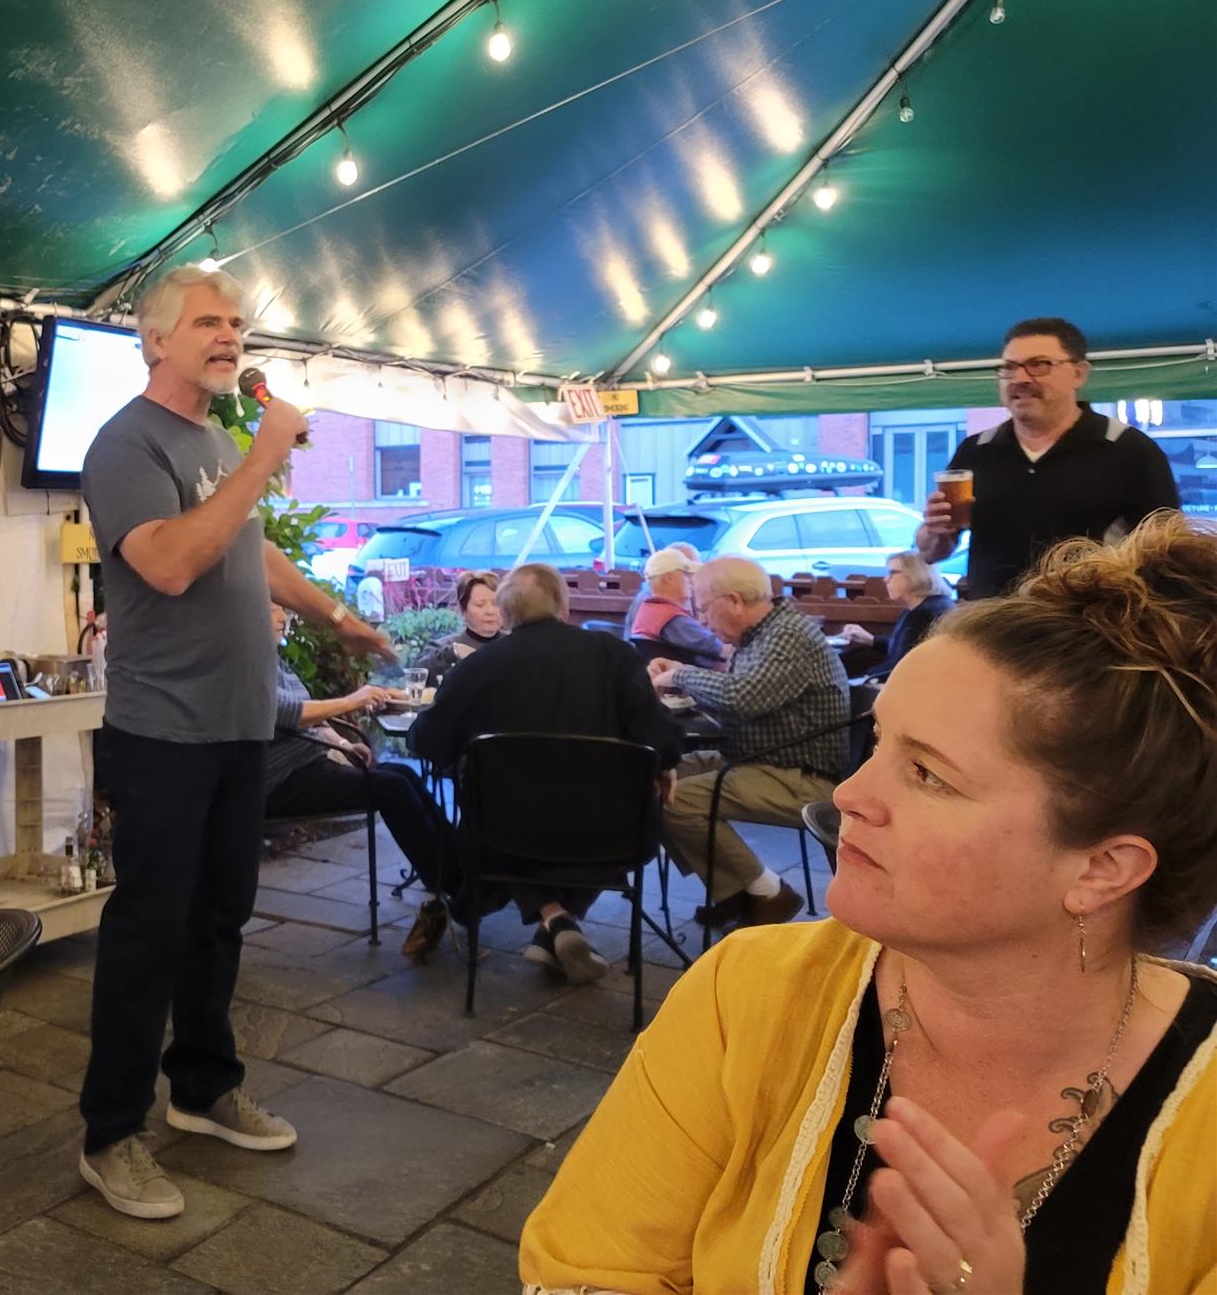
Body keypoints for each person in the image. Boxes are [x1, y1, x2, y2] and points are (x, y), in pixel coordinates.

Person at [520, 514, 1217, 1295]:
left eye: (928, 774)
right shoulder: (746, 994)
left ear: (1102, 868)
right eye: (880, 741)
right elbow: (585, 1269)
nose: (850, 794)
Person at [76, 264, 392, 1222]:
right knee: (150, 932)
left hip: (240, 725)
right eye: (208, 322)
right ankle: (109, 1133)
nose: (229, 336)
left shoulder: (216, 441)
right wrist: (263, 456)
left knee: (219, 920)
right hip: (165, 731)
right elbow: (171, 563)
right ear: (155, 341)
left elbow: (249, 545)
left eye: (238, 323)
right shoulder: (126, 443)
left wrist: (334, 615)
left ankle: (203, 1087)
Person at [409, 563, 684, 984]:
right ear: (564, 605)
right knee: (588, 814)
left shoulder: (479, 668)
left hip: (505, 832)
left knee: (502, 812)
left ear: (506, 613)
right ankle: (558, 922)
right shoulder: (614, 655)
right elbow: (660, 736)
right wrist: (664, 764)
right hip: (613, 829)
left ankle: (553, 920)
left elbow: (426, 743)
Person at [650, 556, 849, 929]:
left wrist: (681, 675)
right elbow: (742, 702)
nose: (701, 620)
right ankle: (738, 894)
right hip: (759, 759)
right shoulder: (762, 635)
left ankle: (767, 893)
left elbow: (743, 697)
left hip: (800, 776)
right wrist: (684, 679)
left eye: (703, 609)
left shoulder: (788, 635)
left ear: (734, 601)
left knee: (676, 800)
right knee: (656, 777)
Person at [916, 317, 1178, 600]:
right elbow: (932, 553)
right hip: (991, 622)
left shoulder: (1129, 450)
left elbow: (1165, 556)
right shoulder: (977, 450)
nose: (1020, 378)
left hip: (1087, 621)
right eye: (1009, 367)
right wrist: (935, 530)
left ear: (1079, 374)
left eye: (1039, 364)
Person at [261, 605, 464, 961]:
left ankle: (459, 869)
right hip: (279, 780)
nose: (282, 617)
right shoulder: (246, 663)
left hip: (307, 765)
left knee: (402, 774)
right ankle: (456, 886)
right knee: (393, 788)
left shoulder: (272, 659)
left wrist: (342, 743)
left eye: (283, 610)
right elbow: (287, 713)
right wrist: (353, 700)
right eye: (273, 609)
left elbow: (309, 713)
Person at [841, 550, 954, 681]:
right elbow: (904, 649)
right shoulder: (922, 606)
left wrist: (865, 677)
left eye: (892, 573)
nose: (885, 579)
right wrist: (872, 640)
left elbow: (902, 666)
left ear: (914, 574)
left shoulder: (924, 614)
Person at [626, 546, 725, 669]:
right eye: (686, 575)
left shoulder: (650, 609)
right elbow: (717, 648)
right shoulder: (671, 618)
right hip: (684, 678)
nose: (691, 581)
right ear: (669, 578)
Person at [417, 570, 503, 686]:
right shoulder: (444, 647)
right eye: (480, 605)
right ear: (463, 609)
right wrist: (451, 653)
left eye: (496, 603)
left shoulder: (516, 645)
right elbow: (417, 675)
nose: (490, 611)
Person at [622, 539, 704, 638]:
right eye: (687, 572)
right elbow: (700, 640)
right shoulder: (656, 603)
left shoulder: (684, 596)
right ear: (669, 576)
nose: (693, 576)